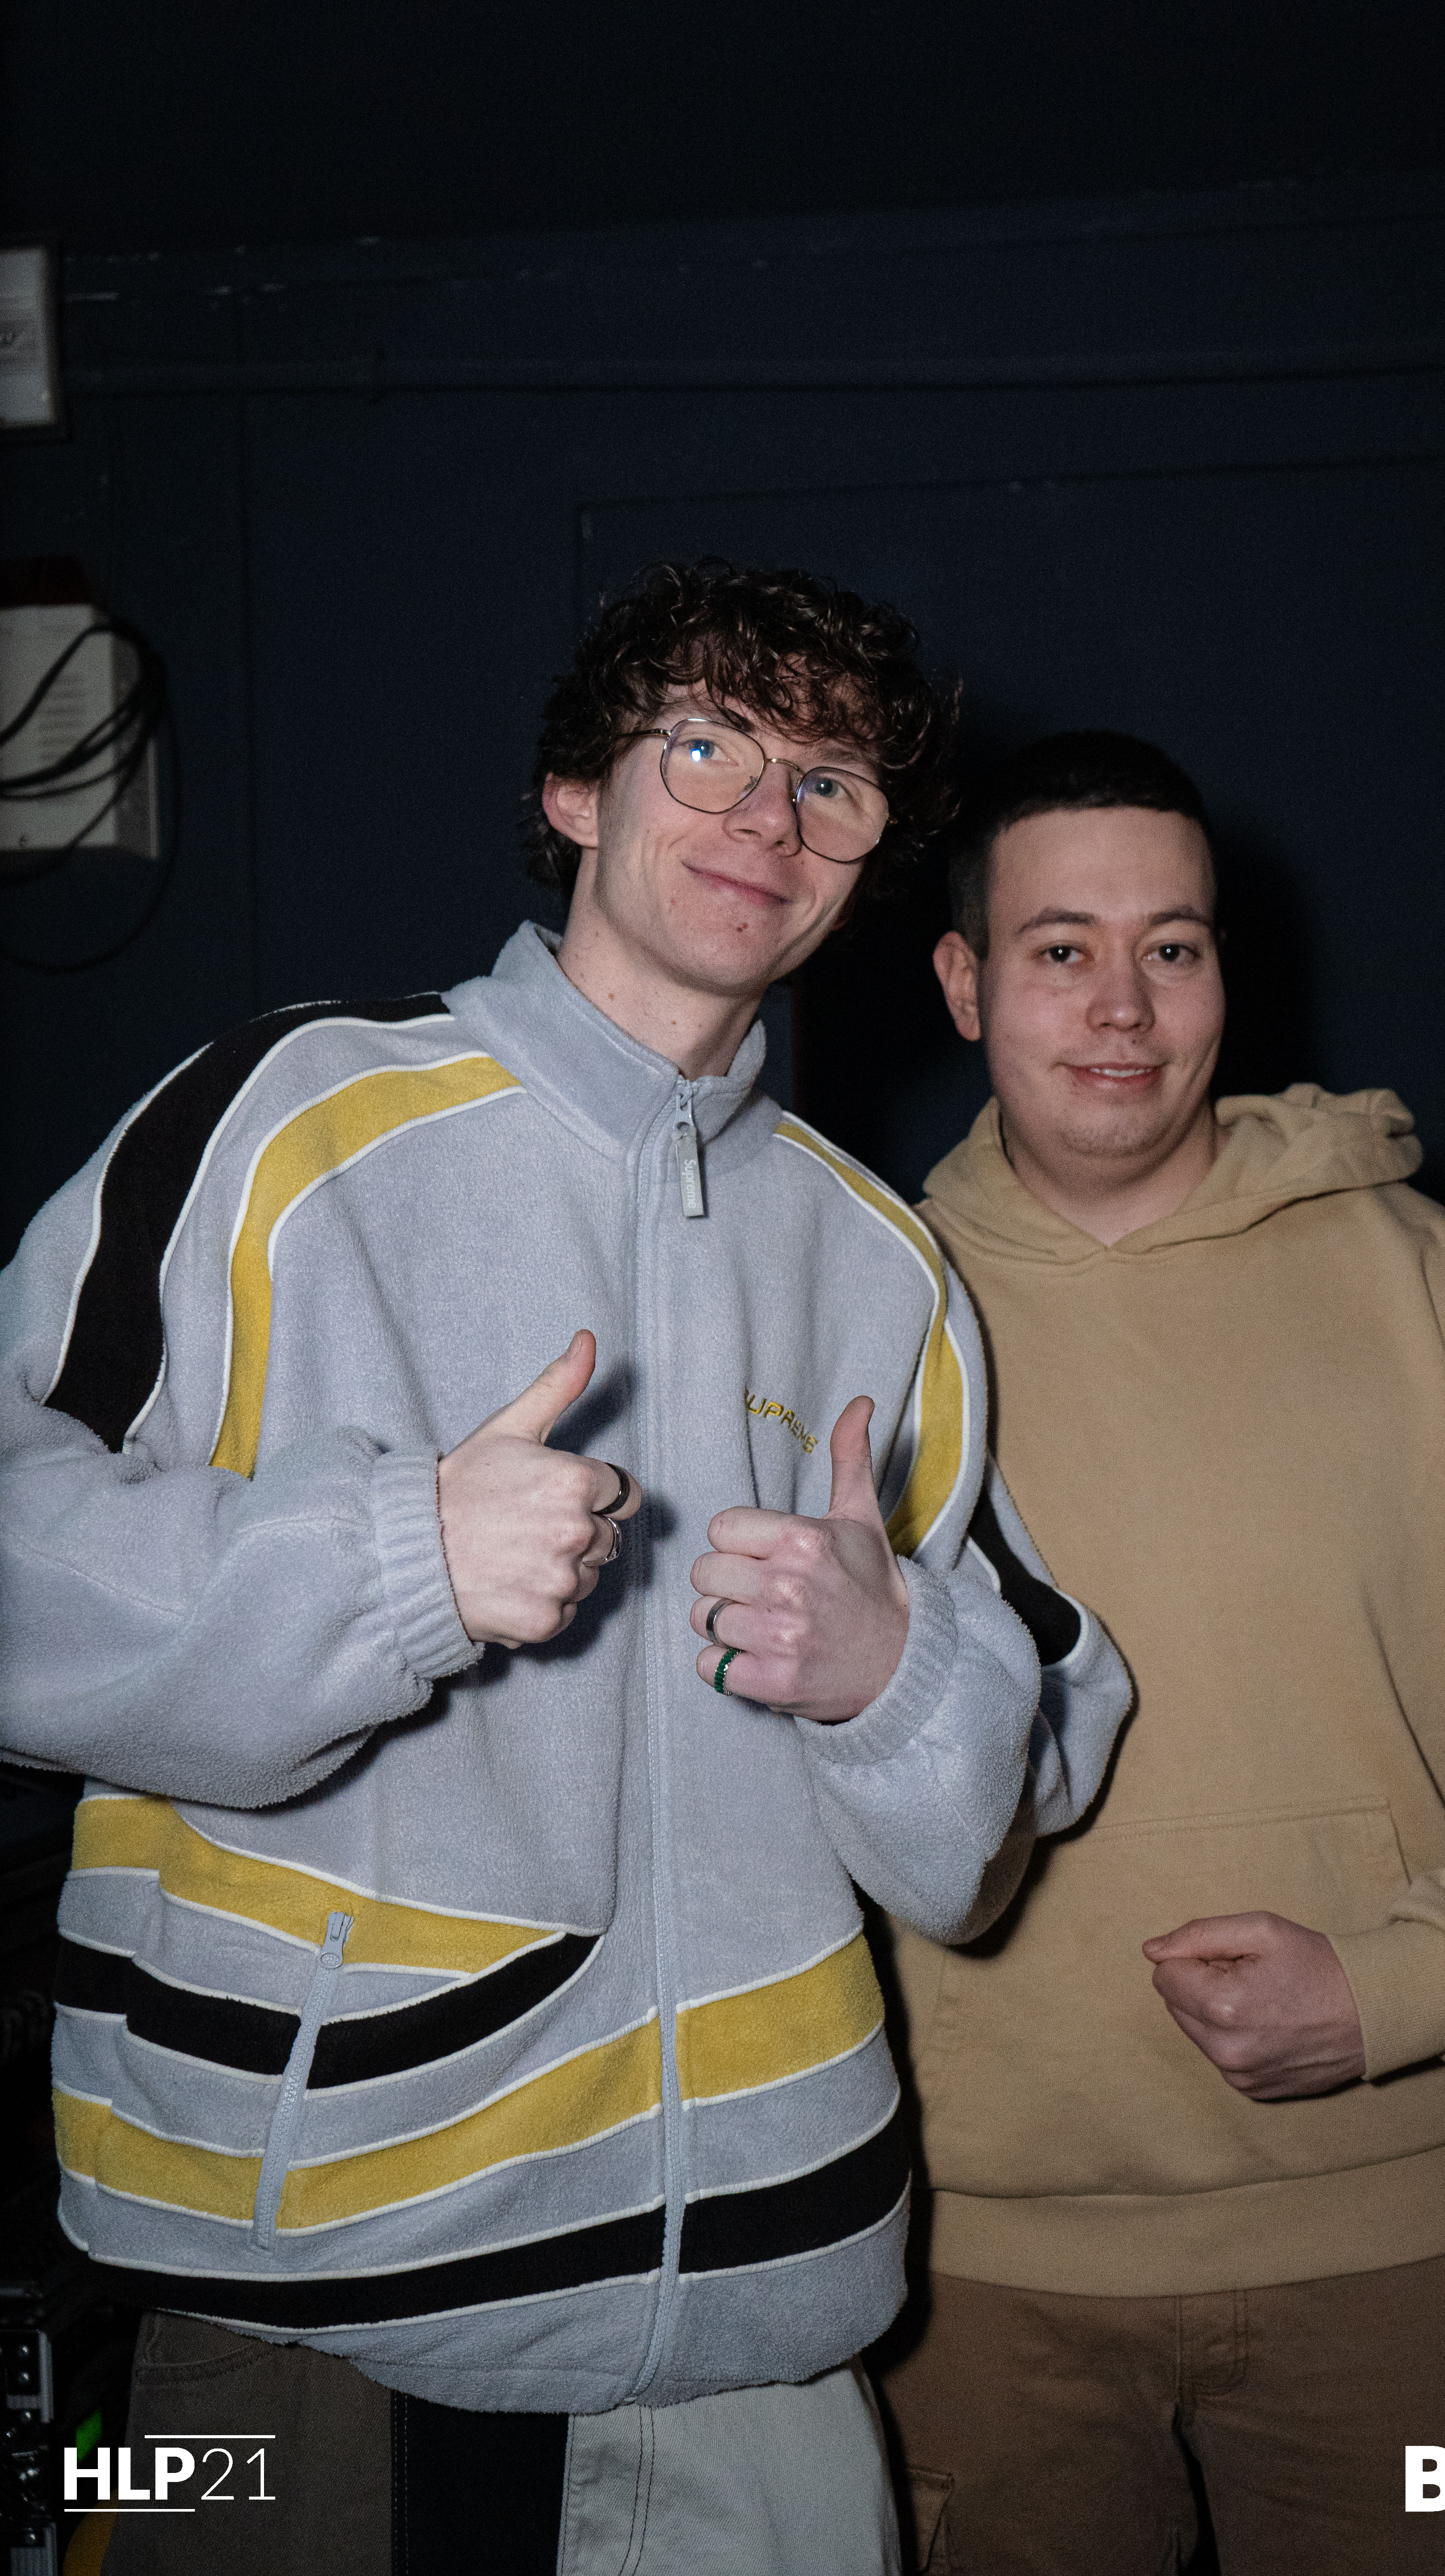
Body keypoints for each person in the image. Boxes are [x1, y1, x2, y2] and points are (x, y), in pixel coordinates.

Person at [0, 572, 1128, 2576]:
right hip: (304, 2307)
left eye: (833, 784)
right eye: (705, 747)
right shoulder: (287, 1124)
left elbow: (1011, 1795)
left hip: (758, 2329)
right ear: (575, 793)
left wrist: (896, 1680)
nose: (766, 817)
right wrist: (386, 1561)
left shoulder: (882, 1266)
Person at [874, 730, 1445, 2576]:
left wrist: (1419, 1984)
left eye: (1171, 948)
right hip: (966, 2290)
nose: (1123, 1007)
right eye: (1060, 949)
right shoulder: (857, 1317)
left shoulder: (1432, 1286)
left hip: (1414, 2258)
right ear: (961, 980)